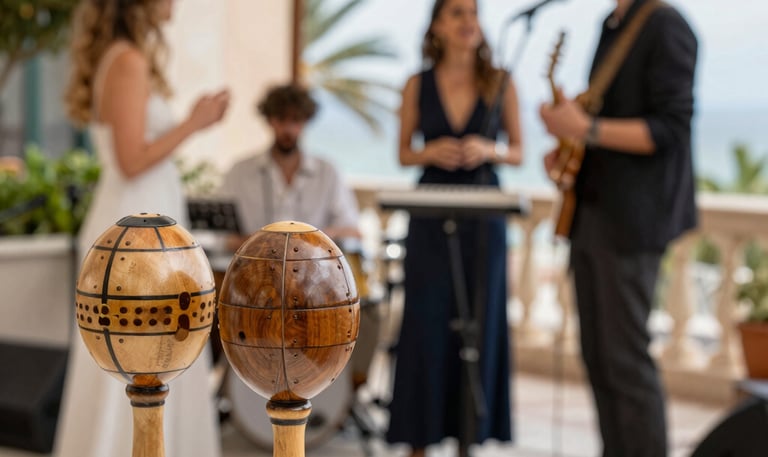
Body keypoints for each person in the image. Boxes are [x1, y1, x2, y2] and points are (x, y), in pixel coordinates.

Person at [57, 1, 229, 456]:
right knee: (142, 347)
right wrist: (194, 123)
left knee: (154, 343)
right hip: (135, 233)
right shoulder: (127, 60)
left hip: (141, 216)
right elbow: (131, 160)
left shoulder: (123, 56)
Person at [538, 0, 698, 456]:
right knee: (598, 357)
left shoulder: (666, 25)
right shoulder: (611, 25)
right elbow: (603, 121)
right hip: (591, 212)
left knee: (625, 360)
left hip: (633, 221)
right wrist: (570, 140)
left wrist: (585, 128)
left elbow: (670, 130)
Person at [385, 0, 523, 456]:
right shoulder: (416, 83)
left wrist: (488, 150)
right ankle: (418, 440)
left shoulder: (500, 81)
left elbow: (518, 150)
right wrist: (431, 152)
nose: (468, 22)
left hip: (484, 216)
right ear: (438, 26)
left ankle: (470, 439)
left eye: (474, 13)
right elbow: (403, 153)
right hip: (430, 214)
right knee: (425, 322)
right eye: (457, 13)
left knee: (480, 323)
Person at [218, 83, 359, 247]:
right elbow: (219, 235)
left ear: (306, 121)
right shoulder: (240, 172)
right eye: (281, 119)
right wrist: (259, 244)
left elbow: (352, 230)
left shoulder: (327, 173)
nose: (288, 129)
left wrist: (315, 239)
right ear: (270, 120)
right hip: (254, 263)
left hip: (313, 263)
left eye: (295, 120)